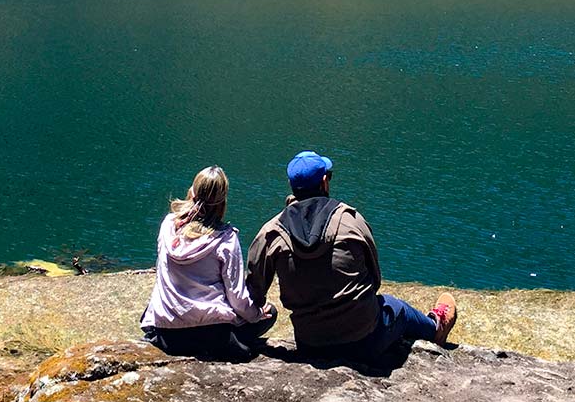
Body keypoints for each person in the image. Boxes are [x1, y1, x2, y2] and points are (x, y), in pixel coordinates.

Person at [246, 151, 457, 364]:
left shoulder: (271, 233)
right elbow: (374, 280)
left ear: (292, 185)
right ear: (324, 181)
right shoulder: (350, 221)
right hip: (364, 340)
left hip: (310, 343)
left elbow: (255, 292)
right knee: (395, 307)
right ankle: (436, 327)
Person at [140, 166, 277, 359]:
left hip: (167, 332)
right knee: (270, 312)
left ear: (192, 192)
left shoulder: (168, 226)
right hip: (213, 335)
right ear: (222, 201)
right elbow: (236, 296)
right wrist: (256, 313)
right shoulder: (226, 238)